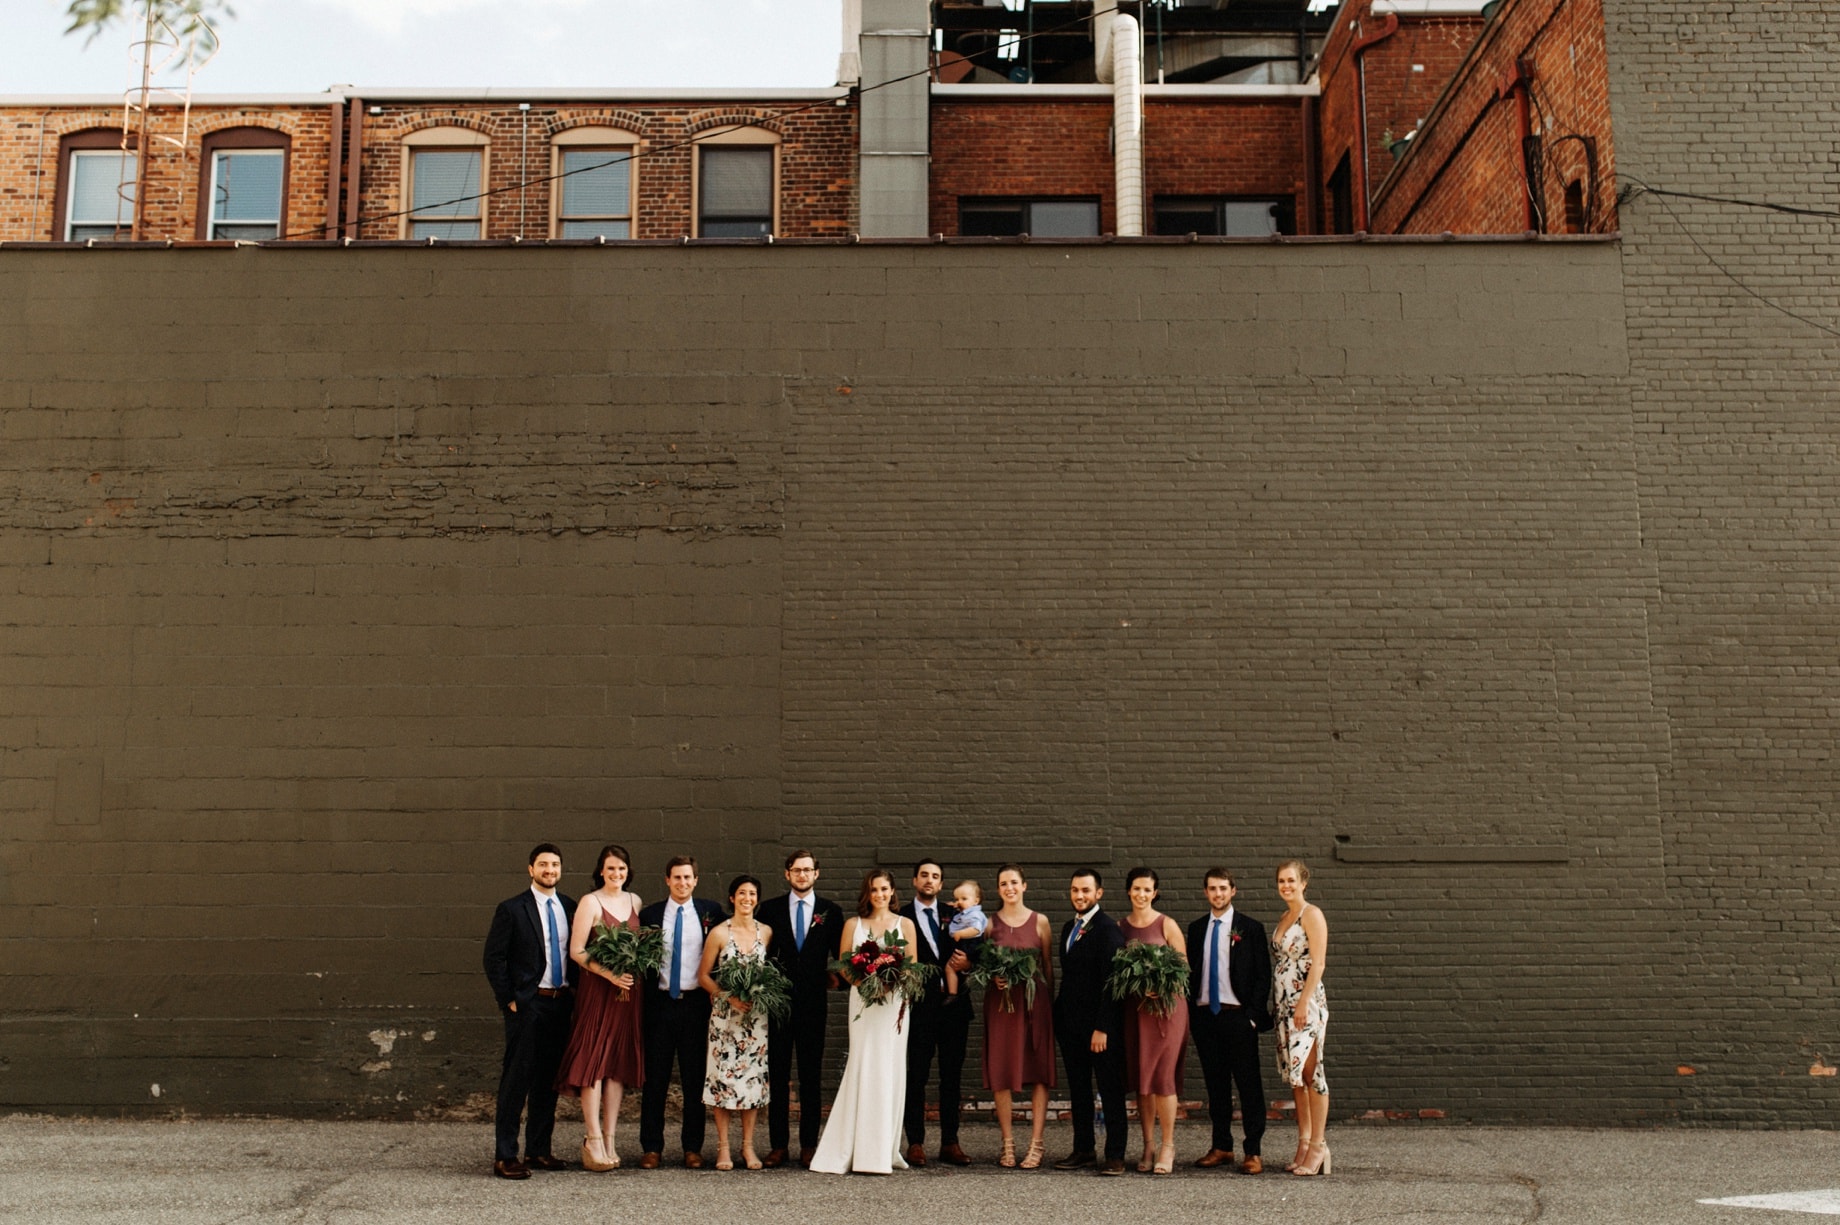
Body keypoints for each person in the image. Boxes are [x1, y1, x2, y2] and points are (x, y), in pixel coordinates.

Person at [810, 869, 920, 1175]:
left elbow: (911, 965)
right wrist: (865, 980)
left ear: (892, 891)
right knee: (863, 1063)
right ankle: (852, 1146)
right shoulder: (853, 924)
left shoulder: (905, 925)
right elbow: (845, 964)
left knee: (889, 1066)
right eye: (874, 890)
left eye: (884, 889)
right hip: (863, 1001)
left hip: (893, 1004)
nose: (880, 895)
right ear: (867, 893)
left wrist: (889, 981)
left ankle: (882, 1149)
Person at [482, 843, 576, 1180]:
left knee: (547, 1081)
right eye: (543, 865)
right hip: (527, 1004)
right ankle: (505, 1155)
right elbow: (493, 958)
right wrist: (509, 999)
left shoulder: (570, 907)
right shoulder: (512, 909)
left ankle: (539, 1150)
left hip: (559, 1002)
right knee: (516, 1080)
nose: (549, 870)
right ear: (530, 869)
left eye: (555, 865)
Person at [555, 843, 645, 1172]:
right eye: (610, 869)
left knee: (616, 1066)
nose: (616, 874)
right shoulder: (589, 903)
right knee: (593, 1062)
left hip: (628, 995)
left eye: (621, 869)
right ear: (601, 871)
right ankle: (591, 1138)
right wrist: (609, 974)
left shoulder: (635, 901)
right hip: (598, 991)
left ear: (627, 871)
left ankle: (610, 1138)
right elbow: (577, 951)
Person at [757, 849, 845, 1168]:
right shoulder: (769, 910)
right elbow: (760, 954)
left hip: (812, 1006)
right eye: (797, 870)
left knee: (811, 1076)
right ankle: (778, 1145)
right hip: (778, 1004)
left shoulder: (830, 912)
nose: (802, 875)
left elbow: (841, 954)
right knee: (777, 1076)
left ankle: (810, 1144)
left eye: (808, 870)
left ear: (816, 874)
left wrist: (840, 979)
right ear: (787, 874)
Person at [637, 856, 725, 1169]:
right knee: (655, 1080)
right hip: (659, 1004)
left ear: (696, 880)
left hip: (696, 1004)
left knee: (693, 1079)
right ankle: (651, 1147)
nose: (682, 883)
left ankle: (692, 1147)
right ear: (667, 880)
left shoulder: (711, 913)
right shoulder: (649, 915)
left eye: (688, 877)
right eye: (677, 878)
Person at [1185, 866, 1272, 1175]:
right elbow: (1191, 974)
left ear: (1232, 890)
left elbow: (1263, 976)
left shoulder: (1250, 928)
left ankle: (1253, 1151)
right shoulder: (1196, 929)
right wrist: (1193, 1015)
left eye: (1223, 888)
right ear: (1206, 892)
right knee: (1216, 1087)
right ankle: (1222, 1146)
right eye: (1212, 888)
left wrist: (1252, 1016)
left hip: (1238, 1018)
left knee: (1248, 1086)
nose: (1217, 894)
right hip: (1207, 1018)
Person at [1052, 867, 1129, 1176]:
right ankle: (1083, 1149)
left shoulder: (1108, 930)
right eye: (1075, 890)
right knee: (1079, 1089)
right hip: (1070, 1025)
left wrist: (1103, 1027)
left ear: (1099, 893)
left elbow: (1113, 983)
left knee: (1110, 1089)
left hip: (1099, 1028)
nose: (1079, 895)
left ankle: (1115, 1155)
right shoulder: (1069, 928)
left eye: (1085, 890)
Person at [898, 859, 973, 1167]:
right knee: (916, 1075)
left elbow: (977, 948)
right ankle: (915, 1141)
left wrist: (968, 963)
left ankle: (950, 1142)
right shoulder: (900, 917)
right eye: (924, 875)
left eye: (936, 877)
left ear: (941, 885)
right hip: (919, 1007)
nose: (930, 881)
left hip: (954, 1007)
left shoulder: (956, 914)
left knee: (951, 1077)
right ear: (915, 880)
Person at [981, 863, 1055, 1170]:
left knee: (1038, 1069)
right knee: (1001, 1069)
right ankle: (1008, 1144)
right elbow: (982, 966)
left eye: (1014, 882)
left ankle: (1036, 1145)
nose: (1009, 888)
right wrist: (992, 977)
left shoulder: (1041, 922)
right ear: (998, 889)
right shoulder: (989, 924)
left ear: (1024, 886)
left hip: (1034, 1003)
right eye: (1003, 884)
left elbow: (1048, 967)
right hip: (1000, 1005)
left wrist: (1048, 1003)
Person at [698, 874, 774, 1171]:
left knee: (751, 1082)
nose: (747, 898)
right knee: (723, 1083)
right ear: (732, 898)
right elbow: (703, 976)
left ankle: (748, 1147)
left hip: (755, 1021)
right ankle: (723, 1148)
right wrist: (728, 997)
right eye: (741, 893)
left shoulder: (765, 932)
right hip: (725, 1020)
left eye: (752, 894)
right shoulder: (719, 933)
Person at [1119, 867, 1189, 1175]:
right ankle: (1147, 1144)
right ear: (1129, 891)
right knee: (1142, 1079)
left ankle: (1168, 1145)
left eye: (1147, 889)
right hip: (1136, 1012)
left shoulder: (1167, 924)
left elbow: (1184, 969)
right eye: (1136, 889)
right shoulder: (1120, 928)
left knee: (1162, 1078)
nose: (1141, 894)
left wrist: (1159, 985)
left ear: (1155, 892)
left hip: (1166, 1011)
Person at [1273, 859, 1331, 1177]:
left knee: (1311, 1074)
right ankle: (1304, 1141)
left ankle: (1320, 1145)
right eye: (1282, 881)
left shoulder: (1312, 915)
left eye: (1291, 881)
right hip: (1284, 1005)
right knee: (1295, 1078)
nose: (1286, 886)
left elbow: (1318, 964)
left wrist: (1302, 1003)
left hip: (1304, 1005)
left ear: (1303, 883)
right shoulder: (1285, 916)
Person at [942, 880, 988, 999]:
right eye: (957, 899)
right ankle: (952, 992)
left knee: (951, 966)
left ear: (976, 901)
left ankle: (953, 993)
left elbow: (976, 929)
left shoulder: (975, 914)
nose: (959, 902)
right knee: (949, 967)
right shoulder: (964, 913)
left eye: (964, 899)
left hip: (970, 944)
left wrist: (961, 933)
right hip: (964, 943)